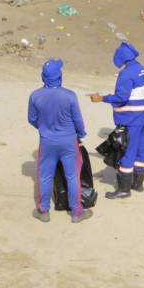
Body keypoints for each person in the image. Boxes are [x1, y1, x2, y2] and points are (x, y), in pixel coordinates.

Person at [28, 59, 92, 223]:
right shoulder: (70, 96)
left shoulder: (35, 96)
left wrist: (45, 128)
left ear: (43, 77)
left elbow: (32, 119)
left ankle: (43, 211)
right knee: (72, 176)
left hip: (47, 141)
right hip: (69, 141)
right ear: (60, 76)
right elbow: (78, 120)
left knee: (45, 176)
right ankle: (77, 213)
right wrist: (81, 134)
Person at [89, 42, 144, 198]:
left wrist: (101, 98)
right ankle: (138, 184)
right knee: (141, 150)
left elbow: (121, 98)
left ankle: (124, 189)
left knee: (127, 152)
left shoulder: (126, 74)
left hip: (132, 119)